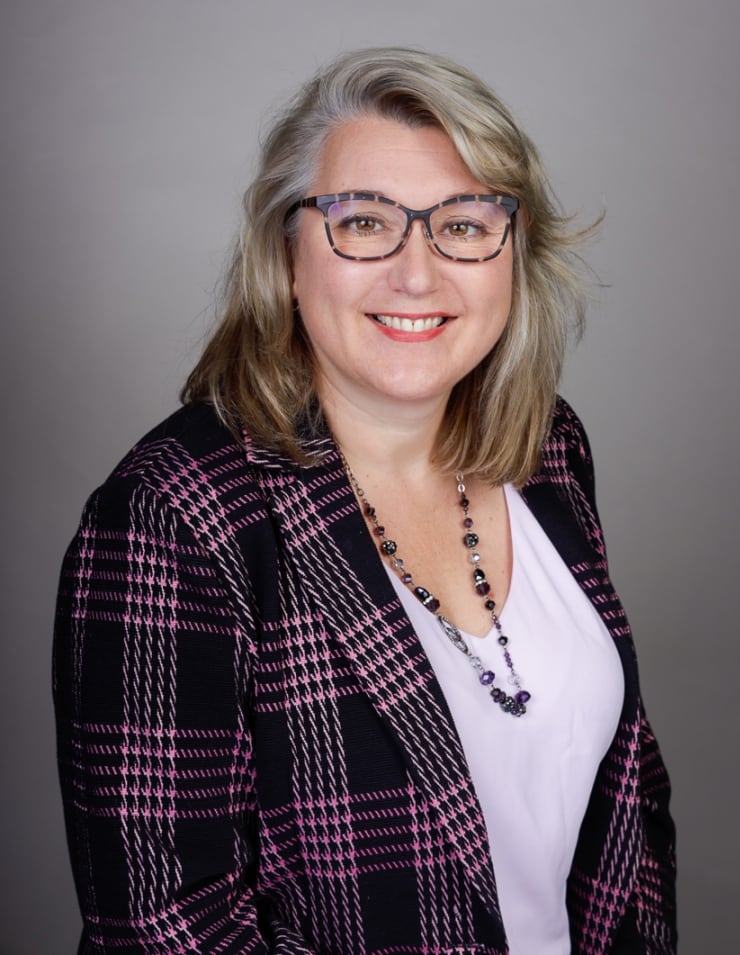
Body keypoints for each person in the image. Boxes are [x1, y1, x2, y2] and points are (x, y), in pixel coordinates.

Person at [53, 47, 676, 955]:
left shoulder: (547, 447)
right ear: (287, 251)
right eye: (364, 221)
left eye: (463, 224)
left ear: (513, 251)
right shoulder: (172, 518)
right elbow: (165, 930)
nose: (416, 273)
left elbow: (627, 812)